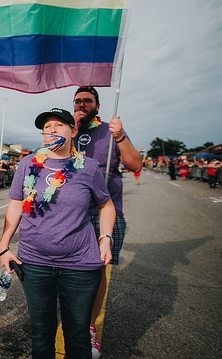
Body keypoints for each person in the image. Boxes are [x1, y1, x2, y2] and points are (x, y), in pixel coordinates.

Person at [0, 107, 116, 358]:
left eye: (59, 125)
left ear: (73, 131)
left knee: (77, 333)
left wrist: (105, 238)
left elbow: (106, 205)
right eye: (47, 126)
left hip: (80, 265)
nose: (52, 130)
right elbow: (16, 204)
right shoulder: (28, 165)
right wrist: (4, 245)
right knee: (41, 332)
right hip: (34, 263)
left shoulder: (88, 167)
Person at [72, 86, 142, 358]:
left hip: (105, 212)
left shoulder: (110, 132)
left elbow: (135, 165)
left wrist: (121, 136)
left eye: (87, 101)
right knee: (71, 271)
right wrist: (71, 129)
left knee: (98, 271)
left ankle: (88, 326)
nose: (82, 105)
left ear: (97, 106)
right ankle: (73, 317)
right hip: (72, 213)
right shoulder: (69, 131)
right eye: (77, 101)